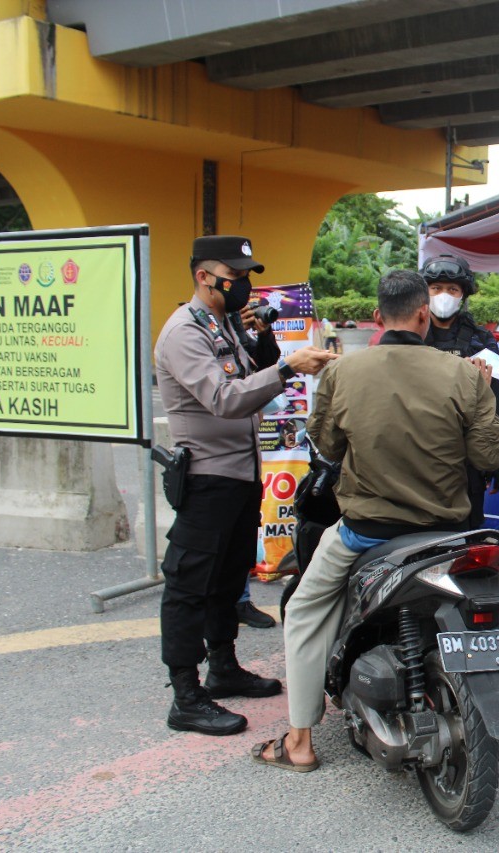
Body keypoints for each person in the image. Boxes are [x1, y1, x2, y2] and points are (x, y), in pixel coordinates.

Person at [253, 269, 499, 772]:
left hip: (367, 531)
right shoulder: (462, 374)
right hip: (447, 533)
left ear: (375, 317)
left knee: (304, 610)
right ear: (423, 316)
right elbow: (490, 456)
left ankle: (299, 741)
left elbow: (326, 445)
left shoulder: (344, 373)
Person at [154, 235, 336, 736]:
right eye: (235, 276)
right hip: (207, 476)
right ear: (204, 276)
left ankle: (223, 668)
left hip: (238, 473)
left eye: (248, 276)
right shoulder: (183, 333)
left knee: (227, 579)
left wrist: (268, 343)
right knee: (189, 584)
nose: (244, 285)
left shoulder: (222, 324)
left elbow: (252, 372)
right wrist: (287, 368)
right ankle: (186, 696)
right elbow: (224, 398)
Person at [419, 253, 499, 527]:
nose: (443, 295)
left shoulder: (479, 339)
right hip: (420, 453)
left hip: (468, 457)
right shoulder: (413, 337)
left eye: (452, 289)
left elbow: (498, 402)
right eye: (436, 288)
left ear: (463, 294)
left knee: (467, 536)